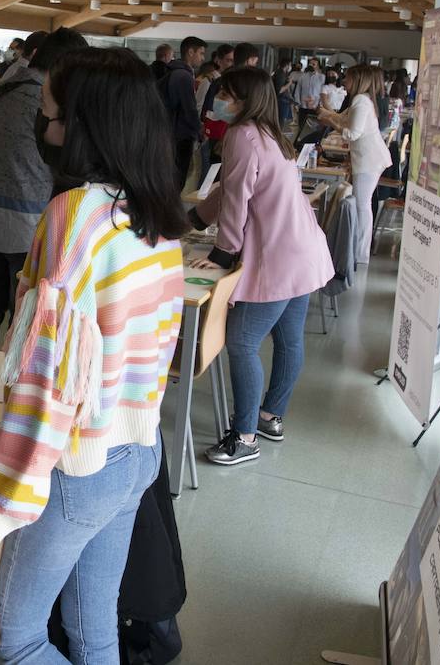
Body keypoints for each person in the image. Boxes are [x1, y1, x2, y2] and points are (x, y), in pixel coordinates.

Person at [0, 46, 187, 665]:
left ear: (84, 127)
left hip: (80, 468)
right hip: (137, 454)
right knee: (94, 631)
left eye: (50, 117)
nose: (42, 129)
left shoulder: (74, 217)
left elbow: (49, 379)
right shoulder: (155, 214)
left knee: (17, 640)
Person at [187, 66, 333, 466]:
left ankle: (245, 437)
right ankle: (270, 417)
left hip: (279, 257)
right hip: (303, 253)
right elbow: (232, 189)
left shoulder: (241, 135)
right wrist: (195, 219)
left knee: (242, 341)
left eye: (226, 94)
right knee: (289, 340)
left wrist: (221, 254)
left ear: (244, 100)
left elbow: (236, 201)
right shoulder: (271, 135)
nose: (220, 100)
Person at [0, 27, 84, 349]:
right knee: (23, 304)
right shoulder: (43, 100)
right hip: (27, 220)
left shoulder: (2, 87)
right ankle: (10, 368)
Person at [319, 65, 393, 265]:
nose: (344, 81)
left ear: (358, 80)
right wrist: (329, 115)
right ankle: (359, 251)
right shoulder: (362, 100)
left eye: (348, 78)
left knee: (362, 205)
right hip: (368, 159)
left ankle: (360, 254)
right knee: (363, 205)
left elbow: (352, 133)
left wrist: (331, 122)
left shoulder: (361, 100)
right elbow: (343, 118)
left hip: (369, 160)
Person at [160, 37, 201, 190]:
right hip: (180, 135)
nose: (203, 58)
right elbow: (189, 109)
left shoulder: (175, 72)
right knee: (177, 180)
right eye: (201, 53)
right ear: (190, 52)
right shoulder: (183, 76)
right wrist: (199, 129)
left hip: (171, 133)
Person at [296, 60, 324, 136]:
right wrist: (298, 103)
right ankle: (300, 141)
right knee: (301, 127)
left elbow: (323, 92)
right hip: (303, 106)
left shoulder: (322, 77)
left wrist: (320, 105)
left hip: (315, 107)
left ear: (318, 66)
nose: (311, 65)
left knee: (314, 129)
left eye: (313, 64)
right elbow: (298, 90)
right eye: (310, 64)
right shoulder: (302, 76)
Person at [274, 57, 295, 126]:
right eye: (290, 65)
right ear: (286, 65)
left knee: (282, 120)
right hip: (281, 100)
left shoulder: (282, 73)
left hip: (282, 100)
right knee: (281, 121)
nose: (290, 67)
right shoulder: (281, 74)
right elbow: (280, 90)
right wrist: (289, 83)